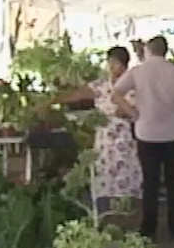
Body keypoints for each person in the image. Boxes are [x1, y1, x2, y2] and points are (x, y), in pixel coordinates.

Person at [114, 35, 174, 242]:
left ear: (148, 50)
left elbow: (115, 94)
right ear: (166, 51)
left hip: (146, 133)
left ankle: (148, 228)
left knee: (150, 182)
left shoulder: (137, 72)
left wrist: (133, 113)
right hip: (173, 133)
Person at [57, 47, 141, 216]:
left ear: (124, 65)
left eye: (115, 63)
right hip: (104, 139)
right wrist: (54, 99)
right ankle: (107, 212)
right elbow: (79, 95)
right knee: (104, 173)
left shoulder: (134, 84)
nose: (111, 67)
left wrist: (122, 111)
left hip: (124, 137)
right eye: (109, 63)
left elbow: (136, 108)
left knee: (126, 173)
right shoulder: (102, 85)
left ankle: (130, 211)